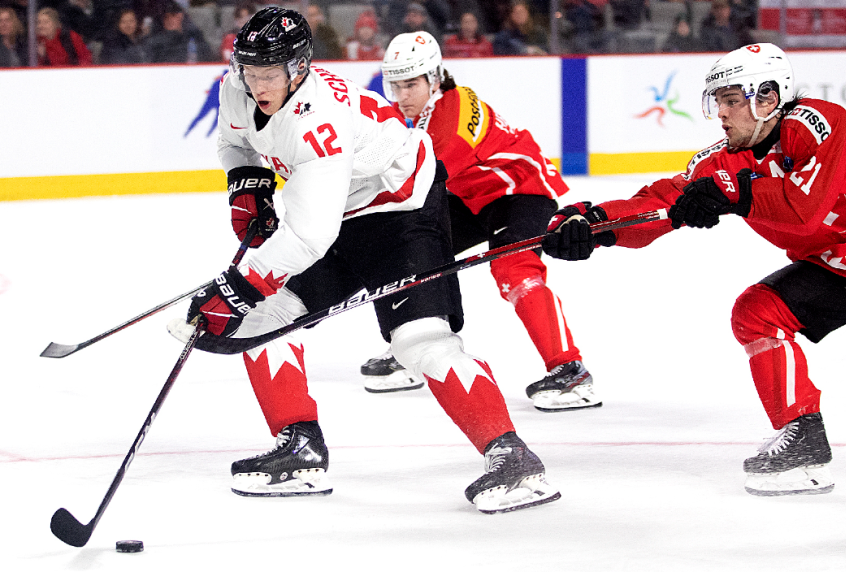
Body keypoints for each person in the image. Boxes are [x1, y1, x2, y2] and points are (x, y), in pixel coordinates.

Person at [541, 42, 846, 496]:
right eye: (718, 100)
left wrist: (735, 198)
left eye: (733, 99)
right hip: (842, 268)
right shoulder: (721, 162)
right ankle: (802, 439)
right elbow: (659, 204)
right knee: (756, 313)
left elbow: (807, 208)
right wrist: (596, 223)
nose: (721, 112)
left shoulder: (819, 121)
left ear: (768, 96)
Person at [168, 7, 560, 513]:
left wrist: (235, 288)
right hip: (336, 208)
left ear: (300, 68)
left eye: (269, 73)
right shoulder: (238, 86)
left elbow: (310, 236)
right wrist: (248, 187)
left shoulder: (320, 120)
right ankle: (299, 447)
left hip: (403, 212)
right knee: (265, 318)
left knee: (420, 341)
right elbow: (234, 140)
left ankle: (514, 458)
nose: (257, 83)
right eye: (249, 70)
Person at [362, 31, 600, 411]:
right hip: (472, 199)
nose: (401, 95)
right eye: (396, 85)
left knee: (514, 269)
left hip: (520, 190)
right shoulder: (421, 115)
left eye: (410, 84)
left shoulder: (455, 109)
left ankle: (570, 371)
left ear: (434, 77)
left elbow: (426, 179)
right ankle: (417, 349)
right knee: (410, 254)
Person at [143, 1, 215, 63]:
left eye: (173, 16)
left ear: (180, 16)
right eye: (166, 17)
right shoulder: (155, 43)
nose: (169, 20)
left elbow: (207, 59)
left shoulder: (194, 38)